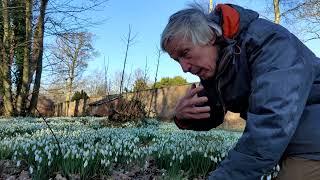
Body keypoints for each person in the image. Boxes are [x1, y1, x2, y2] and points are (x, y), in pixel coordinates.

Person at [160, 3, 320, 180]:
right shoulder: (217, 64)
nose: (184, 68)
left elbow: (272, 120)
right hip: (289, 143)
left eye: (186, 53)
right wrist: (182, 117)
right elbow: (213, 113)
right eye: (177, 60)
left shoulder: (268, 42)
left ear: (210, 36)